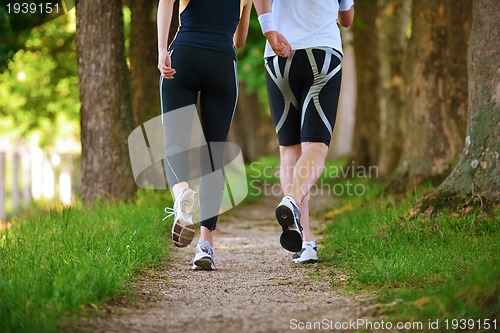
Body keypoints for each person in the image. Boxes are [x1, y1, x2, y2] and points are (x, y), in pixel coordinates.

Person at [253, 0, 355, 263]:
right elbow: (346, 18)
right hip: (323, 52)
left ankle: (306, 241)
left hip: (278, 52)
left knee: (289, 150)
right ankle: (292, 201)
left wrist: (269, 31)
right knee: (315, 147)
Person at [157, 0, 251, 270]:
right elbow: (240, 39)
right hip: (222, 61)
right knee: (214, 154)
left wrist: (163, 49)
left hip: (183, 56)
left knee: (175, 140)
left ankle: (182, 194)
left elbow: (165, 3)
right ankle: (205, 245)